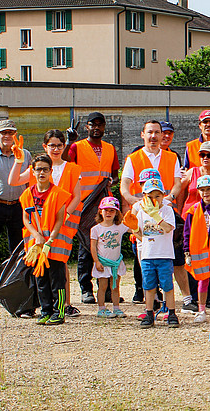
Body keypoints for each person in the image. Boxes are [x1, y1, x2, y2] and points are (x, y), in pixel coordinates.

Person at [8, 130, 82, 317]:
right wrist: (18, 162)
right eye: (52, 145)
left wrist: (65, 215)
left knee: (59, 264)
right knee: (40, 267)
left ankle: (63, 306)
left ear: (64, 146)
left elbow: (77, 196)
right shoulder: (38, 167)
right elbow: (14, 181)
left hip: (61, 223)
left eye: (59, 145)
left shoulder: (72, 169)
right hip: (38, 227)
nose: (55, 149)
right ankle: (44, 307)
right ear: (45, 146)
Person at [121, 121, 189, 310]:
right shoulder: (133, 158)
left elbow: (177, 183)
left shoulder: (171, 157)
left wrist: (169, 199)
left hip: (165, 213)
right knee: (144, 257)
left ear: (161, 136)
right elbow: (124, 186)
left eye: (157, 132)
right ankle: (150, 301)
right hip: (142, 215)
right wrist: (135, 202)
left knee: (172, 257)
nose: (153, 136)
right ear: (142, 134)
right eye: (150, 132)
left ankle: (177, 301)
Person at [62, 112, 118, 304]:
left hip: (104, 204)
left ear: (104, 127)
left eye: (100, 124)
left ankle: (108, 289)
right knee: (86, 246)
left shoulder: (110, 149)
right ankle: (86, 289)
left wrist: (112, 180)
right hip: (84, 203)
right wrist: (68, 142)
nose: (96, 127)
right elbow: (63, 163)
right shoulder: (77, 147)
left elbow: (114, 174)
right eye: (92, 124)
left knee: (107, 246)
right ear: (86, 127)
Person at [0, 119, 31, 307]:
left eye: (11, 132)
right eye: (4, 133)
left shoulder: (25, 155)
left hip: (18, 207)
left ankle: (15, 290)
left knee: (18, 251)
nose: (7, 136)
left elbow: (29, 185)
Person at [20, 154, 72, 325]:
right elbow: (26, 220)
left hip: (55, 244)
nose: (41, 172)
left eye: (45, 169)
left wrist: (50, 239)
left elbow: (59, 219)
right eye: (38, 169)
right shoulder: (27, 194)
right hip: (36, 245)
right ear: (32, 172)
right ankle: (45, 310)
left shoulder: (59, 194)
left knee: (57, 280)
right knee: (41, 279)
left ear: (50, 171)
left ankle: (59, 312)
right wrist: (37, 236)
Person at [124, 177, 179, 328]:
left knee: (167, 285)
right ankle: (149, 313)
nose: (154, 199)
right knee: (148, 286)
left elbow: (168, 228)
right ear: (144, 196)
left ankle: (172, 312)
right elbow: (141, 236)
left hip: (164, 254)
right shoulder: (142, 212)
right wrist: (134, 229)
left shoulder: (167, 210)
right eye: (150, 196)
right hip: (148, 255)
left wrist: (156, 215)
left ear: (163, 196)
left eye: (157, 196)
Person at [182, 175, 210, 324]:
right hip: (199, 253)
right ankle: (202, 310)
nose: (205, 193)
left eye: (209, 189)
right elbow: (187, 231)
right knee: (202, 281)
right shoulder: (193, 210)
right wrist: (187, 250)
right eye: (202, 190)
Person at [90, 197, 129, 319]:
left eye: (112, 210)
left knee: (115, 286)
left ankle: (116, 307)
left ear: (117, 212)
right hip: (103, 262)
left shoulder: (120, 227)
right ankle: (101, 308)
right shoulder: (96, 229)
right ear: (100, 211)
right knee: (102, 286)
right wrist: (96, 261)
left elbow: (134, 229)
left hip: (116, 262)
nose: (108, 213)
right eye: (106, 210)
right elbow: (93, 247)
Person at [180, 141, 210, 214]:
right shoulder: (192, 172)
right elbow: (179, 190)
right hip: (190, 216)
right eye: (202, 155)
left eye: (209, 155)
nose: (205, 158)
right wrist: (179, 209)